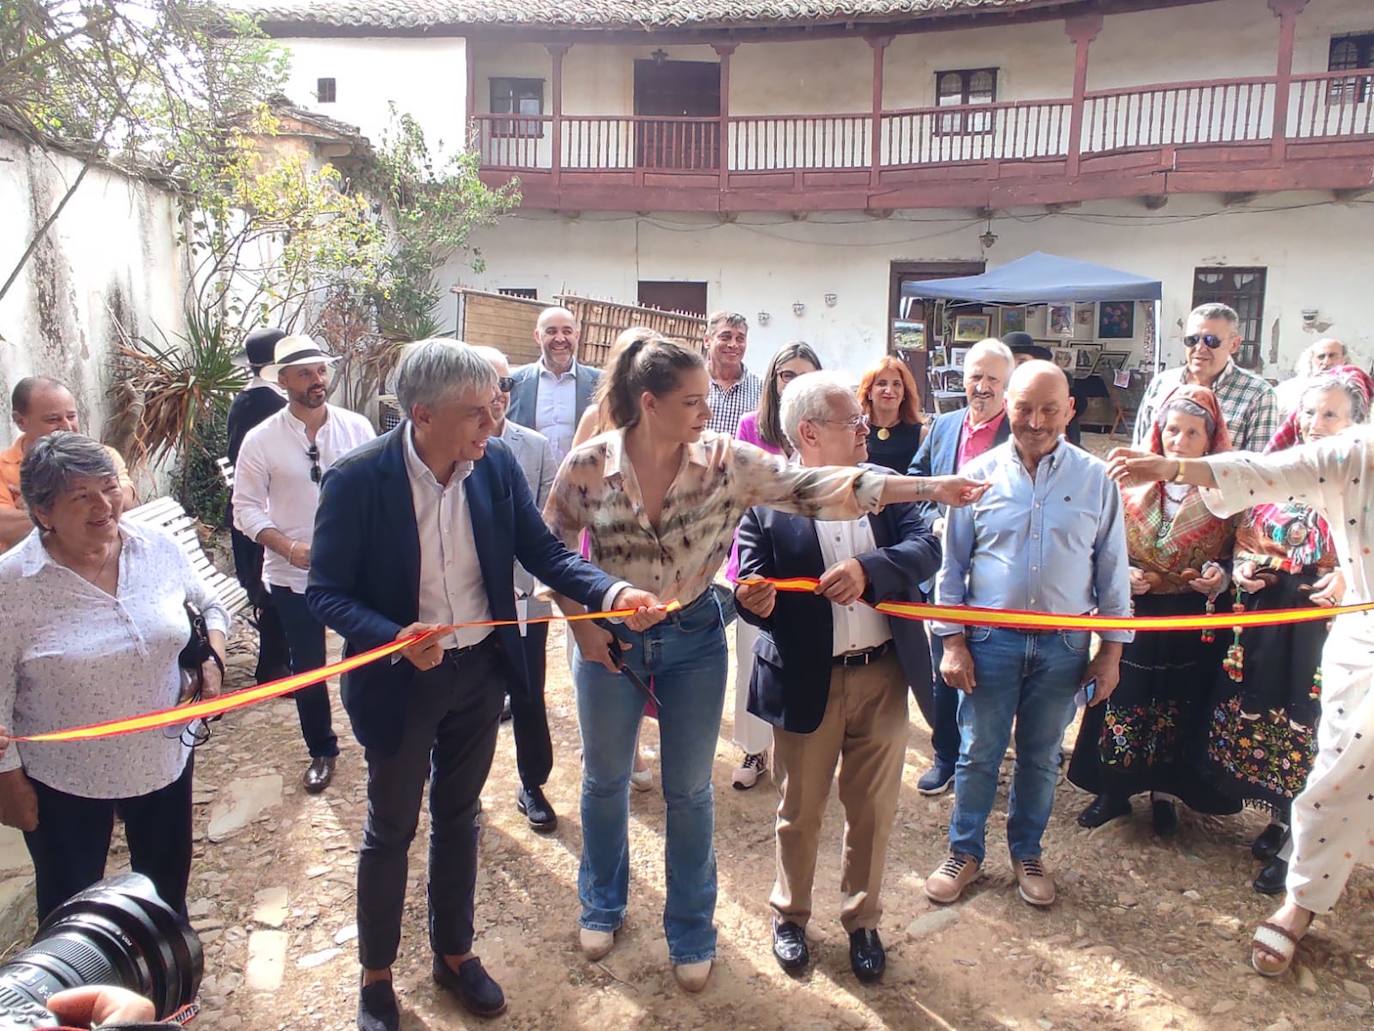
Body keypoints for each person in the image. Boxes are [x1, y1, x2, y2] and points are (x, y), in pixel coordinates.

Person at [544, 336, 986, 992]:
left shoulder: (729, 461)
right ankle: (602, 902)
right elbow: (552, 544)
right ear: (648, 403)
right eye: (693, 401)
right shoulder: (586, 465)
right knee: (606, 780)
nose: (707, 412)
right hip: (607, 639)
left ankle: (691, 926)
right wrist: (584, 624)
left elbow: (821, 487)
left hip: (693, 636)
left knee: (691, 791)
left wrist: (929, 486)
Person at [306, 339, 665, 1028]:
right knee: (391, 827)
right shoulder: (357, 480)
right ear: (422, 415)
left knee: (459, 816)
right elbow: (326, 592)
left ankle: (455, 953)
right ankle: (377, 974)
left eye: (494, 410)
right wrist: (392, 635)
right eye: (475, 414)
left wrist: (612, 589)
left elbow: (545, 551)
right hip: (398, 682)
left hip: (478, 674)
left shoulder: (494, 466)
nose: (491, 427)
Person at [1107, 422, 1374, 978]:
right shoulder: (1359, 450)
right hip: (1363, 640)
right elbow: (1267, 473)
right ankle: (1299, 905)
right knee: (1339, 779)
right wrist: (1172, 468)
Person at [735, 372, 941, 983]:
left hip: (881, 676)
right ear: (809, 434)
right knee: (800, 808)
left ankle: (863, 920)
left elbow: (927, 544)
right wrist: (756, 600)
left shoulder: (881, 489)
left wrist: (868, 567)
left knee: (873, 810)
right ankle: (791, 916)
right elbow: (750, 581)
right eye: (852, 422)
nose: (866, 430)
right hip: (806, 680)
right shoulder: (767, 503)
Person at [924, 361, 1132, 908]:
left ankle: (1028, 852)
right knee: (977, 753)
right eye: (1023, 408)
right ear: (1007, 407)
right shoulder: (977, 477)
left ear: (1069, 410)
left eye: (1048, 409)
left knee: (1041, 758)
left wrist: (1110, 655)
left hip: (1064, 647)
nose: (1035, 421)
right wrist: (952, 642)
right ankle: (964, 851)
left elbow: (1112, 571)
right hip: (991, 642)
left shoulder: (1096, 481)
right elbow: (951, 568)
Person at [0, 433, 227, 920]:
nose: (104, 505)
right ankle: (79, 996)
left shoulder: (157, 547)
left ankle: (171, 992)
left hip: (164, 756)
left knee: (166, 897)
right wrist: (8, 780)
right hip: (65, 781)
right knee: (71, 912)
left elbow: (209, 603)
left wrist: (213, 659)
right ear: (43, 513)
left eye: (108, 487)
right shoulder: (12, 586)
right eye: (80, 496)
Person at [1198, 367, 1372, 895]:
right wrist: (1246, 565)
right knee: (1266, 713)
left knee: (1314, 728)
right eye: (1309, 413)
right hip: (1266, 622)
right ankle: (1277, 819)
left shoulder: (1357, 477)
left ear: (1356, 423)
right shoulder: (1281, 472)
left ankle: (1302, 844)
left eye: (1330, 415)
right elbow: (1247, 530)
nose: (1316, 425)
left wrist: (1345, 577)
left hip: (1324, 630)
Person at [1067, 385, 1239, 836]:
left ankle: (1167, 792)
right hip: (1136, 611)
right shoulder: (1128, 486)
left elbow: (1238, 555)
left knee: (1181, 698)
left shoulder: (1225, 495)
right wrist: (1123, 575)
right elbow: (1100, 544)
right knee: (1126, 694)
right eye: (1171, 431)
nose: (1178, 441)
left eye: (1191, 433)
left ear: (1210, 439)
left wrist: (1220, 576)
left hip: (1192, 615)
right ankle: (1114, 789)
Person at [233, 335, 374, 794]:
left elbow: (380, 491)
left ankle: (377, 741)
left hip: (356, 571)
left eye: (321, 371)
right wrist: (288, 548)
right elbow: (245, 509)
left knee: (368, 657)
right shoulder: (261, 440)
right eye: (306, 373)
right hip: (292, 574)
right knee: (308, 665)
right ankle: (322, 750)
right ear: (283, 382)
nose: (317, 381)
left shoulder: (357, 428)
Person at [907, 337, 1014, 796]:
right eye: (975, 376)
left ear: (1008, 386)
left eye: (992, 379)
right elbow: (916, 480)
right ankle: (946, 756)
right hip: (944, 570)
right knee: (943, 666)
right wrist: (933, 520)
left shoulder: (1021, 430)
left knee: (994, 669)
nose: (982, 386)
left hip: (999, 575)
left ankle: (986, 761)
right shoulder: (944, 425)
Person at [473, 345, 561, 833]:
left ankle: (533, 783)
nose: (498, 395)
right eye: (488, 383)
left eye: (504, 384)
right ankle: (463, 790)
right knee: (474, 701)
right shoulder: (451, 449)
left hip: (527, 595)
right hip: (471, 604)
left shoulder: (535, 446)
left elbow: (547, 528)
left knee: (529, 693)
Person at [726, 341, 821, 790]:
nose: (794, 382)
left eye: (804, 374)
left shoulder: (821, 428)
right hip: (760, 560)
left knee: (803, 659)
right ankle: (752, 749)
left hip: (810, 562)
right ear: (773, 380)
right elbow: (748, 493)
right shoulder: (751, 427)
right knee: (753, 660)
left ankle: (795, 751)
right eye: (786, 374)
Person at [1, 377, 136, 551]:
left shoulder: (104, 455)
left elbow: (125, 499)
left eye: (71, 416)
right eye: (52, 420)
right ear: (20, 421)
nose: (67, 426)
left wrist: (46, 506)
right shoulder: (2, 468)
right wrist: (74, 514)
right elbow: (4, 526)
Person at [226, 328, 291, 685]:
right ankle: (273, 668)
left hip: (247, 508)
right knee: (271, 589)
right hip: (260, 510)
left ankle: (278, 663)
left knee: (269, 588)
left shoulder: (244, 400)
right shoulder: (273, 408)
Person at [1134, 303, 1278, 452]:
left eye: (1211, 341)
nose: (1200, 348)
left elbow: (1259, 468)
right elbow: (1139, 449)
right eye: (1192, 340)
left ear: (1234, 345)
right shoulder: (1162, 383)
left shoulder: (1258, 393)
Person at [507, 306, 601, 464]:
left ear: (577, 335)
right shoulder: (514, 383)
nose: (560, 339)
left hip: (581, 483)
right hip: (527, 483)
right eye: (551, 331)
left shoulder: (600, 383)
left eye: (567, 331)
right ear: (537, 336)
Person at [858, 355, 925, 473]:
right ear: (868, 391)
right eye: (881, 383)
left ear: (904, 393)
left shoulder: (922, 435)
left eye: (896, 384)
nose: (889, 390)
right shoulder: (856, 431)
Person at [702, 311, 761, 436]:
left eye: (740, 339)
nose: (733, 345)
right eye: (725, 337)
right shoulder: (691, 385)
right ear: (707, 340)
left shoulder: (760, 390)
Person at [1275, 337, 1349, 414]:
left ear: (1344, 360)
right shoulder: (1288, 389)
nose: (1327, 362)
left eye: (1332, 356)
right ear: (1311, 360)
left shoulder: (1353, 389)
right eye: (1321, 357)